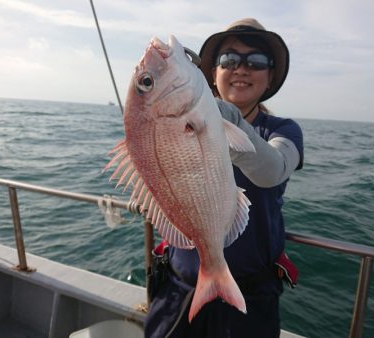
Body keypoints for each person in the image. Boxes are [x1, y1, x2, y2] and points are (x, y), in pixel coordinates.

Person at [145, 18, 304, 338]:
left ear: (270, 76)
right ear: (212, 75)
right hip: (176, 291)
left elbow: (274, 169)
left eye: (256, 61)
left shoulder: (283, 131)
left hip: (248, 298)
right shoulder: (174, 121)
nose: (242, 68)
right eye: (229, 59)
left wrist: (227, 121)